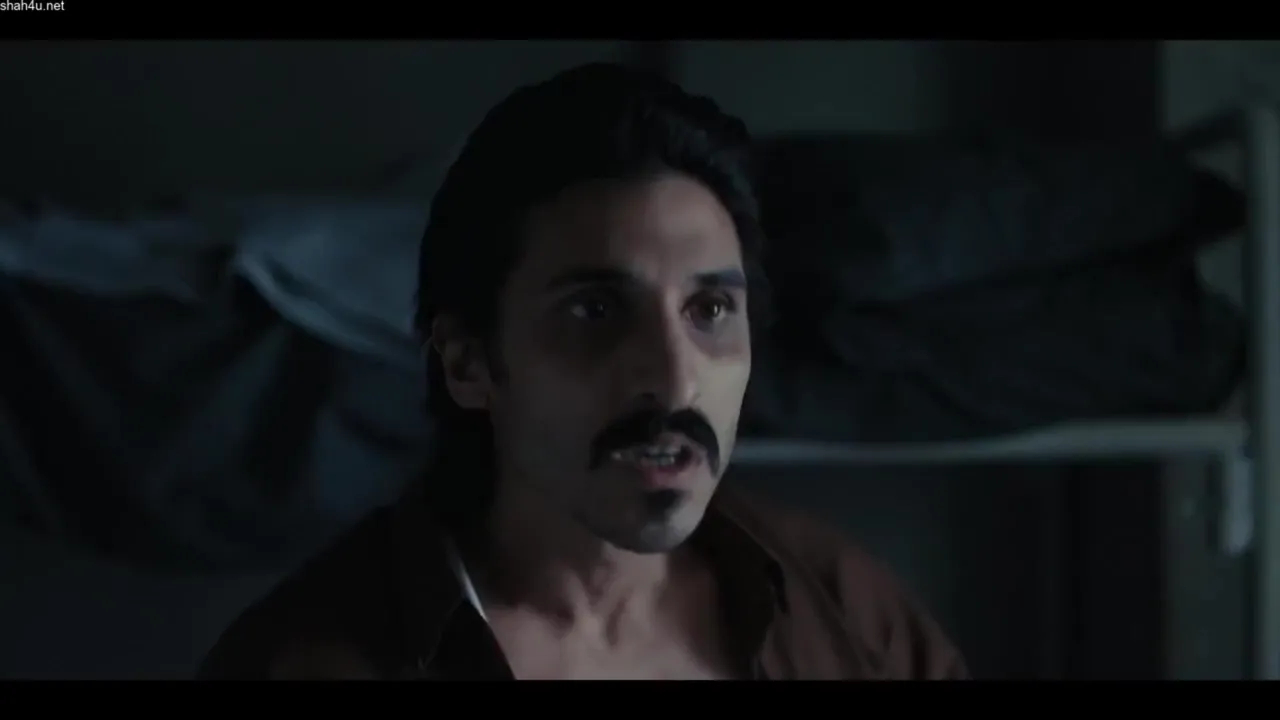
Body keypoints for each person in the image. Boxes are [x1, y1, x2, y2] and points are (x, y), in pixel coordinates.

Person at [197, 62, 967, 681]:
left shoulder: (838, 604)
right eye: (596, 311)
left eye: (709, 310)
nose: (675, 381)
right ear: (468, 361)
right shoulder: (303, 660)